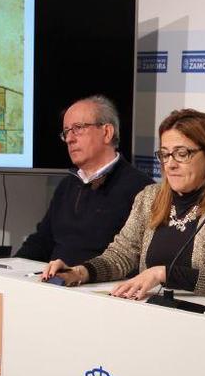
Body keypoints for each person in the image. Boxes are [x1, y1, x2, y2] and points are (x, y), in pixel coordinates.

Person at [42, 109, 205, 299]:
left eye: (182, 154)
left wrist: (162, 274)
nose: (170, 164)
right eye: (165, 154)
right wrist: (79, 272)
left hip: (200, 323)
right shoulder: (149, 197)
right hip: (148, 313)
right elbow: (121, 255)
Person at [16, 95, 152, 265]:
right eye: (66, 132)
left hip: (99, 286)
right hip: (53, 283)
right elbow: (42, 242)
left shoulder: (141, 190)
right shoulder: (67, 185)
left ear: (107, 132)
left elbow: (134, 260)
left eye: (78, 128)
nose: (70, 139)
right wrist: (8, 270)